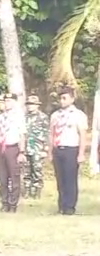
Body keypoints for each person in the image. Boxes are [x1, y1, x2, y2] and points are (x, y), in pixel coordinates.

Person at [48, 87, 90, 215]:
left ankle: (70, 207)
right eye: (60, 98)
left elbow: (82, 135)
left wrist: (81, 153)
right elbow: (51, 134)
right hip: (58, 149)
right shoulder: (55, 115)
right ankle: (62, 205)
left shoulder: (78, 115)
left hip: (71, 149)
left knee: (70, 179)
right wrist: (50, 152)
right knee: (60, 179)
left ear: (72, 99)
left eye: (65, 98)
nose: (62, 101)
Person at [0, 93, 26, 212]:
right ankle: (5, 202)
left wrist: (21, 152)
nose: (7, 103)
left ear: (14, 102)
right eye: (5, 101)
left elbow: (22, 134)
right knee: (2, 178)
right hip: (1, 148)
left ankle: (13, 204)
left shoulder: (18, 116)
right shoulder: (1, 117)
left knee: (14, 177)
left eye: (9, 101)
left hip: (13, 148)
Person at [23, 95, 49, 199]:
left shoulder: (43, 117)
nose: (30, 106)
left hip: (38, 148)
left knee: (37, 170)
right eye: (28, 104)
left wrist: (45, 149)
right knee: (26, 170)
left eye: (32, 104)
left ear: (37, 105)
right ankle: (27, 190)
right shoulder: (24, 117)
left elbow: (47, 133)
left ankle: (37, 191)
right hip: (26, 148)